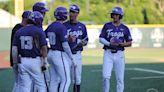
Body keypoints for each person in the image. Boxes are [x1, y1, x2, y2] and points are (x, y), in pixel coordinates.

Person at [12, 11, 48, 92]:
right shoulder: (39, 31)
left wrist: (15, 63)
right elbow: (44, 48)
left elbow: (14, 49)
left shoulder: (19, 31)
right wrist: (45, 62)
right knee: (41, 84)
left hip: (23, 61)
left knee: (25, 86)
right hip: (35, 61)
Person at [99, 6, 132, 92]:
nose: (114, 16)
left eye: (116, 15)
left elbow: (129, 42)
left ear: (120, 16)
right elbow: (101, 39)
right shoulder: (107, 26)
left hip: (119, 54)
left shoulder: (125, 28)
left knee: (120, 79)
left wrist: (121, 44)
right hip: (108, 53)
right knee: (106, 76)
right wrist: (109, 43)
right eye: (113, 14)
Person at [45, 6, 75, 92]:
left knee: (54, 80)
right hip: (59, 54)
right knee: (66, 80)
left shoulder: (51, 25)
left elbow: (43, 37)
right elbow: (65, 45)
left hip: (51, 53)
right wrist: (71, 57)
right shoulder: (62, 27)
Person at [64, 4, 88, 92]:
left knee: (77, 79)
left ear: (78, 13)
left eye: (74, 12)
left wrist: (82, 42)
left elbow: (86, 40)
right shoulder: (64, 25)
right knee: (64, 78)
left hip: (77, 54)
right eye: (70, 12)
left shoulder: (82, 26)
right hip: (66, 55)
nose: (71, 14)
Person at [10, 10, 32, 92]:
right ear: (26, 18)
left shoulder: (17, 27)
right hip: (18, 59)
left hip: (16, 59)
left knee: (19, 82)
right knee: (21, 83)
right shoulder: (19, 29)